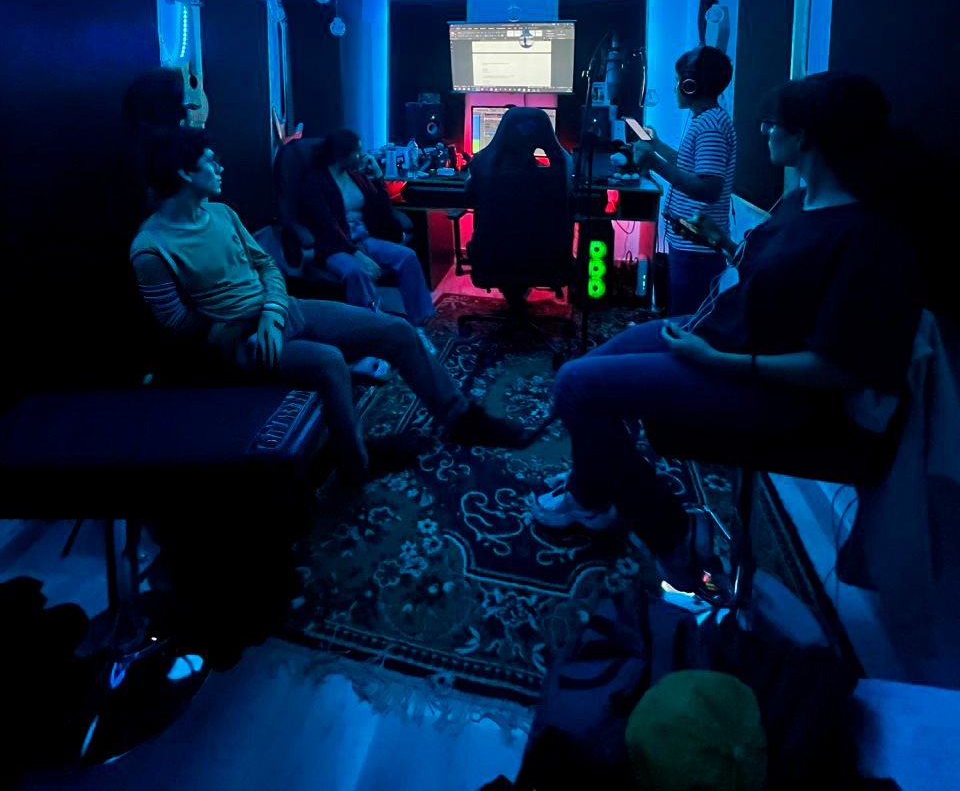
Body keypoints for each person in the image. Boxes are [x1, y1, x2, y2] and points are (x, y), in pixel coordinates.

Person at [532, 72, 922, 597]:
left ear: (805, 135)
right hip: (713, 334)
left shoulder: (866, 237)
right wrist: (725, 243)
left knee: (575, 385)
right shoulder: (798, 201)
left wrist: (714, 359)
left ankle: (673, 536)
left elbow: (838, 367)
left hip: (761, 384)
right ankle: (589, 497)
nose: (764, 131)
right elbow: (777, 280)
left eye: (773, 123)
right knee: (593, 366)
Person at [130, 127, 526, 482]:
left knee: (398, 331)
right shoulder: (151, 248)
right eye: (210, 160)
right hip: (242, 342)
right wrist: (247, 323)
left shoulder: (221, 213)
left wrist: (272, 310)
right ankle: (357, 463)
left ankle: (460, 417)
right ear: (184, 173)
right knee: (330, 361)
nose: (220, 166)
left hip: (282, 311)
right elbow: (177, 324)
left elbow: (266, 266)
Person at [631, 45, 736, 316]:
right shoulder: (708, 120)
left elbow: (708, 189)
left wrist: (654, 164)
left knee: (686, 320)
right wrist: (657, 146)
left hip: (697, 247)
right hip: (690, 244)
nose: (675, 87)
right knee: (681, 313)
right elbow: (689, 165)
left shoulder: (710, 126)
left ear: (691, 86)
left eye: (679, 81)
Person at [299, 130, 436, 336]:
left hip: (363, 239)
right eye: (357, 151)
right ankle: (372, 329)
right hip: (333, 246)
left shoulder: (355, 176)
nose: (361, 155)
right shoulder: (315, 181)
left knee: (407, 257)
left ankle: (419, 323)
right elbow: (326, 225)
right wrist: (357, 254)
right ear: (343, 153)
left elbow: (381, 208)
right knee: (357, 272)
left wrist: (378, 176)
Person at [465, 107, 573, 307]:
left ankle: (513, 295)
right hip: (546, 257)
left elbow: (469, 195)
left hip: (494, 256)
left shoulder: (481, 165)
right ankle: (519, 294)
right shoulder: (562, 168)